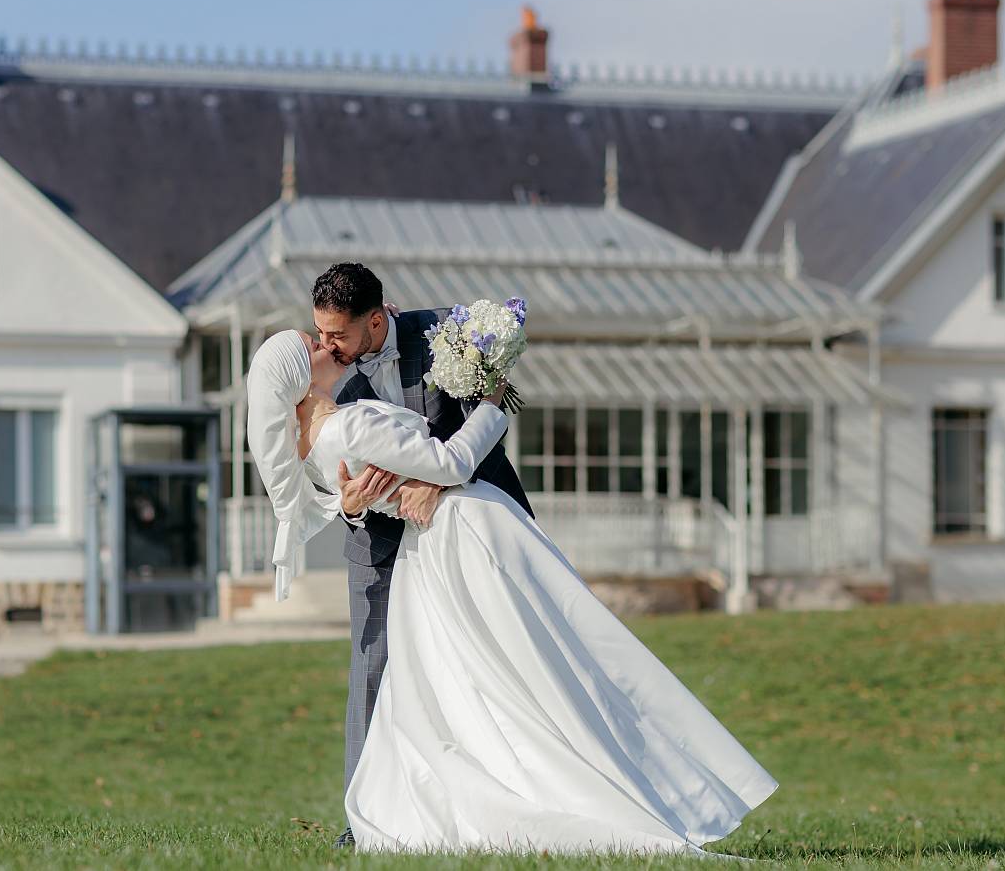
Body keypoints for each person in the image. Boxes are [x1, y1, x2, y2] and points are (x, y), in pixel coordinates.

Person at [245, 325, 778, 854]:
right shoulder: (348, 428)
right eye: (315, 345)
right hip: (465, 533)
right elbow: (450, 464)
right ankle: (597, 785)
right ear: (298, 377)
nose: (327, 346)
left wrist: (360, 501)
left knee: (498, 673)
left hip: (431, 551)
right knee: (555, 658)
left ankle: (545, 777)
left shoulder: (314, 446)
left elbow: (372, 488)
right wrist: (494, 403)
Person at [309, 264, 532, 847]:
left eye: (338, 334)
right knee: (372, 670)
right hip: (377, 544)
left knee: (496, 663)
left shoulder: (444, 334)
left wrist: (442, 483)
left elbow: (501, 399)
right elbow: (316, 478)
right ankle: (363, 824)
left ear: (377, 321)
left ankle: (511, 802)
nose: (325, 345)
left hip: (464, 531)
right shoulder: (319, 379)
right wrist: (352, 507)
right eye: (321, 332)